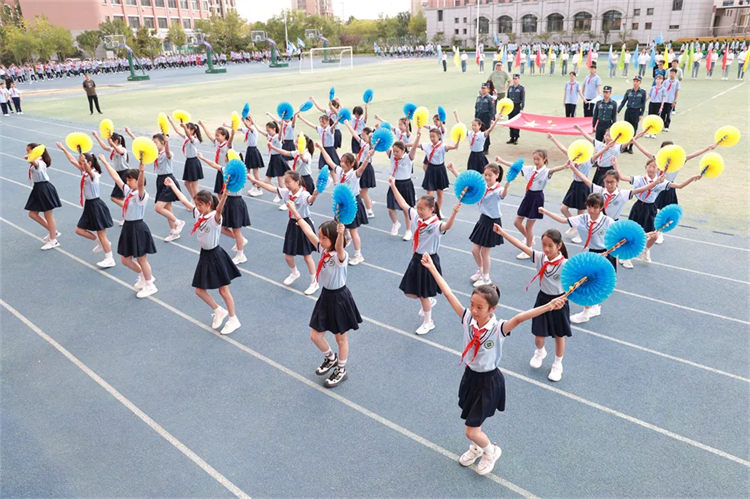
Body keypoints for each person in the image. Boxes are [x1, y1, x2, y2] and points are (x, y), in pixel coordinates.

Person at [420, 252, 567, 474]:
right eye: (472, 304)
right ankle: (477, 448)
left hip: (488, 381)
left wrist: (549, 306)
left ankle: (490, 451)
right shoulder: (467, 319)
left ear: (492, 309)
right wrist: (432, 267)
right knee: (472, 420)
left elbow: (520, 317)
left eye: (479, 307)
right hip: (470, 376)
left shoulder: (498, 329)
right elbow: (448, 293)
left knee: (470, 429)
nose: (474, 310)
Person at [289, 209, 361, 388]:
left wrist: (341, 233)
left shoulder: (340, 256)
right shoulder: (322, 249)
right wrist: (295, 213)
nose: (320, 240)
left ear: (334, 239)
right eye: (320, 237)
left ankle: (341, 369)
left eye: (323, 238)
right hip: (326, 296)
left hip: (340, 299)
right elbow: (308, 232)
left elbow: (339, 247)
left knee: (340, 339)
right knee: (315, 336)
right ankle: (331, 358)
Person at [165, 181, 241, 335]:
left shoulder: (214, 218)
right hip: (205, 255)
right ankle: (218, 310)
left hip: (216, 255)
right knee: (199, 290)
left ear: (208, 204)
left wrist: (225, 195)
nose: (197, 207)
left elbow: (219, 209)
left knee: (223, 290)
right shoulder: (199, 214)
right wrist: (172, 186)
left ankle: (233, 319)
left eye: (200, 205)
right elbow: (183, 200)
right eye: (196, 204)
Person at [389, 178, 461, 335]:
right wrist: (393, 185)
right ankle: (429, 300)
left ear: (431, 209)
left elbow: (447, 226)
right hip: (416, 258)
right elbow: (403, 204)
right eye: (418, 208)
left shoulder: (435, 225)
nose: (419, 211)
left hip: (429, 260)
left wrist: (454, 213)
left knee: (422, 294)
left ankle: (429, 322)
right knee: (409, 292)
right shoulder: (416, 217)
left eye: (422, 209)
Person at [539, 195, 616, 324]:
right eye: (589, 206)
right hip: (591, 253)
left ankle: (586, 313)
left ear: (601, 207)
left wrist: (607, 252)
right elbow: (563, 220)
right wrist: (545, 211)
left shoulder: (608, 221)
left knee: (588, 282)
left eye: (595, 207)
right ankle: (594, 307)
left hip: (605, 254)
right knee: (590, 281)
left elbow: (618, 238)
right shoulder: (583, 218)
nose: (591, 210)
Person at [248, 171, 321, 295]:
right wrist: (255, 181)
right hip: (292, 224)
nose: (286, 184)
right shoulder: (287, 192)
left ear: (297, 182)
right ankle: (294, 273)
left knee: (307, 256)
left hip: (304, 224)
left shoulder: (303, 194)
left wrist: (314, 195)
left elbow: (310, 200)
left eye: (288, 182)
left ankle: (314, 282)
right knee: (288, 255)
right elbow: (271, 188)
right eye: (285, 182)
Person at [99, 156, 158, 298]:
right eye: (127, 179)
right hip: (128, 227)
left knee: (142, 259)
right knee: (125, 260)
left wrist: (142, 171)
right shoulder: (129, 192)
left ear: (137, 180)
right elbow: (116, 178)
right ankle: (143, 276)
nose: (127, 181)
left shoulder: (141, 195)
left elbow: (141, 186)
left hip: (138, 227)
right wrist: (105, 162)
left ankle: (150, 285)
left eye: (130, 179)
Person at [56, 145, 115, 268]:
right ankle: (100, 242)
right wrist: (63, 149)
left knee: (102, 234)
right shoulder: (84, 172)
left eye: (82, 162)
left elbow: (89, 170)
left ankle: (109, 258)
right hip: (89, 205)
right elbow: (72, 160)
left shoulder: (94, 175)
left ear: (89, 163)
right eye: (80, 162)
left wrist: (84, 161)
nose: (80, 164)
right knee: (79, 230)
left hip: (96, 205)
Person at [469, 163, 510, 287]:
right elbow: (469, 185)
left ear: (497, 175)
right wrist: (453, 170)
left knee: (484, 252)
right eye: (485, 174)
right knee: (475, 250)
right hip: (483, 220)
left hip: (493, 222)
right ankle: (481, 271)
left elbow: (503, 194)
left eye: (490, 175)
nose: (487, 177)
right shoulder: (483, 186)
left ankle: (486, 278)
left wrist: (507, 185)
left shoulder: (497, 190)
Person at [24, 143, 61, 250]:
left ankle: (53, 240)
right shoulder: (36, 160)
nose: (27, 152)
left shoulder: (39, 162)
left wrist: (30, 158)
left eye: (29, 151)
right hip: (38, 189)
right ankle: (53, 231)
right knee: (32, 214)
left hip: (44, 188)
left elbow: (35, 164)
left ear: (34, 151)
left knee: (48, 215)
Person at [386, 139, 418, 240]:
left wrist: (418, 136)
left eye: (397, 151)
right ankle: (396, 223)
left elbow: (414, 148)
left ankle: (408, 231)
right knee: (390, 208)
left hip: (406, 185)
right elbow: (384, 145)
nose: (395, 153)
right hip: (394, 184)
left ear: (403, 150)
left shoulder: (408, 158)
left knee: (406, 210)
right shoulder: (391, 155)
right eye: (394, 151)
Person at [617, 76, 647, 153]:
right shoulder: (628, 91)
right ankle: (624, 147)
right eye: (634, 81)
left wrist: (641, 114)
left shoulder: (643, 92)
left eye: (637, 81)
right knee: (626, 129)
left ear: (640, 83)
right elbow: (623, 102)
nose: (635, 83)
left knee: (634, 130)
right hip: (628, 111)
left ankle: (630, 147)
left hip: (636, 112)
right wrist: (618, 111)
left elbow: (643, 104)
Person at [474, 83, 495, 153]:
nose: (483, 90)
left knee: (486, 132)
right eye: (482, 88)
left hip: (486, 117)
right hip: (479, 116)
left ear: (488, 89)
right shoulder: (478, 98)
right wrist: (475, 118)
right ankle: (481, 146)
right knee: (479, 132)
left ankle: (486, 148)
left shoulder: (490, 99)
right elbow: (476, 108)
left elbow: (492, 109)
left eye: (484, 88)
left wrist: (492, 119)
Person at [506, 74, 524, 145]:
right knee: (510, 122)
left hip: (517, 107)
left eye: (516, 79)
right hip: (510, 107)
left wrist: (522, 108)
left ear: (519, 79)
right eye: (514, 79)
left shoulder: (521, 88)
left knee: (516, 122)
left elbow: (522, 99)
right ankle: (512, 137)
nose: (515, 80)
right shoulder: (510, 88)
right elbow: (507, 98)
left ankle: (516, 138)